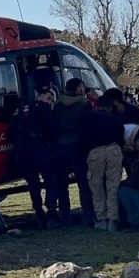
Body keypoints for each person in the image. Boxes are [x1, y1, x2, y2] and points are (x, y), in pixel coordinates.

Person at [11, 86, 66, 229]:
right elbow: (54, 131)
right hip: (41, 150)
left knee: (33, 184)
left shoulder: (20, 110)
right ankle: (52, 212)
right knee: (50, 181)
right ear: (47, 98)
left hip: (23, 153)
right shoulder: (46, 110)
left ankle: (38, 211)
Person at [80, 89, 125, 231]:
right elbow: (120, 137)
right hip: (113, 150)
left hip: (95, 152)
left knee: (96, 186)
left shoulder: (87, 117)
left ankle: (101, 218)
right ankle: (113, 218)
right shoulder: (114, 119)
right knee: (113, 185)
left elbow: (83, 137)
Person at [53, 78, 92, 226]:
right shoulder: (84, 104)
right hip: (78, 146)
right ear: (77, 89)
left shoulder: (57, 105)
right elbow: (88, 126)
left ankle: (65, 216)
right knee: (83, 183)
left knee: (62, 184)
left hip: (60, 147)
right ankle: (88, 216)